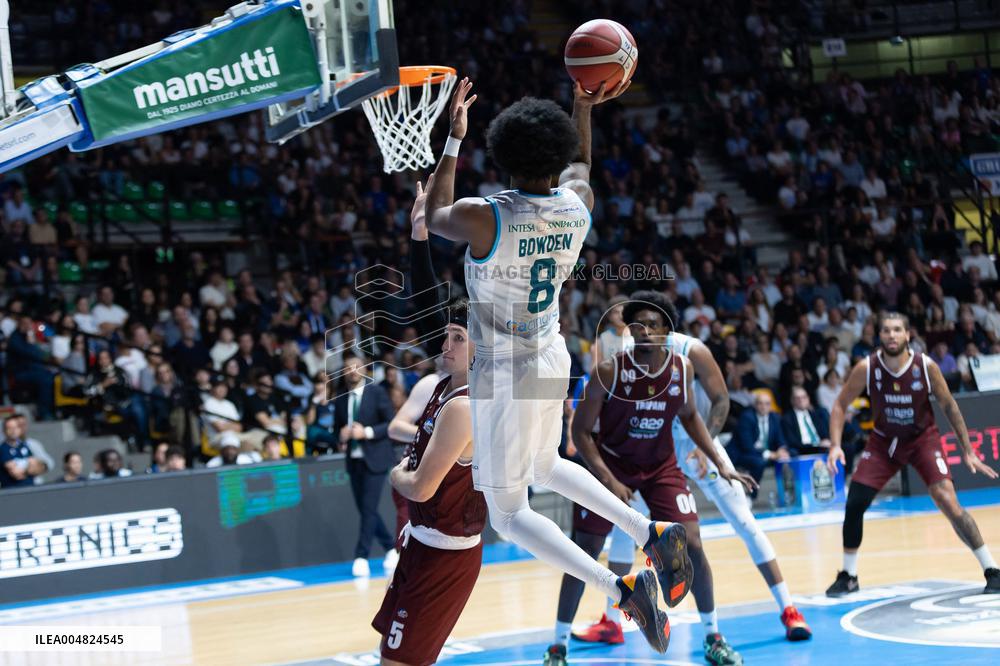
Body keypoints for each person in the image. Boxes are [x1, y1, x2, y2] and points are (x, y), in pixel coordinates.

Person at [425, 78, 688, 656]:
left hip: (504, 369)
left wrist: (451, 140)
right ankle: (650, 532)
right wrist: (583, 106)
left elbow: (434, 214)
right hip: (550, 352)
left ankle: (619, 589)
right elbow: (582, 165)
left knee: (508, 513)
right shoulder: (577, 208)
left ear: (503, 155)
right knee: (543, 466)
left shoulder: (483, 216)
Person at [580, 311, 812, 647]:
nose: (640, 331)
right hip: (655, 454)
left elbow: (721, 399)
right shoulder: (627, 357)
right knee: (624, 526)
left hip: (698, 445)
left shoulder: (693, 351)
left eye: (648, 324)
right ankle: (611, 620)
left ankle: (789, 608)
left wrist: (707, 448)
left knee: (743, 521)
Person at [550, 292, 755, 665]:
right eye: (637, 325)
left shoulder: (683, 369)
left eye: (653, 325)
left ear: (667, 331)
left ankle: (713, 636)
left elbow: (691, 417)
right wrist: (609, 481)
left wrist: (719, 462)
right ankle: (557, 647)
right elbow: (580, 434)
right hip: (611, 465)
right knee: (585, 551)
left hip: (660, 468)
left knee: (692, 543)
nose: (645, 331)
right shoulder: (609, 370)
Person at [373, 179, 487, 666]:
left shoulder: (467, 402)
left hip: (445, 550)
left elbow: (417, 488)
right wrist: (419, 233)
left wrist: (398, 472)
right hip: (422, 541)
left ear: (481, 346)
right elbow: (426, 305)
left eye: (456, 337)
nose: (445, 343)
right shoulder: (447, 380)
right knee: (392, 656)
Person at [825, 312, 1000, 596]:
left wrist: (968, 451)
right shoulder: (867, 367)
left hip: (922, 440)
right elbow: (840, 405)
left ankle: (992, 569)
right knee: (855, 502)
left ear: (908, 335)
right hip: (884, 443)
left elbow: (949, 406)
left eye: (897, 330)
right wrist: (834, 445)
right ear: (879, 336)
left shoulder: (925, 366)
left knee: (948, 501)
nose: (891, 335)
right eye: (885, 330)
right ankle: (849, 575)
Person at [335, 353, 397, 578]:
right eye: (347, 367)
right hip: (354, 460)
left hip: (376, 458)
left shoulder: (376, 392)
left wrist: (367, 432)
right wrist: (341, 436)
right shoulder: (341, 398)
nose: (352, 370)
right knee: (366, 510)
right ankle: (391, 547)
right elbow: (336, 430)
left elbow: (391, 422)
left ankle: (361, 556)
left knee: (369, 509)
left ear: (364, 369)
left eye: (356, 366)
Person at [731, 391, 789, 485]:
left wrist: (782, 449)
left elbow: (780, 438)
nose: (763, 407)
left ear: (771, 406)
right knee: (759, 462)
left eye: (767, 404)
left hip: (766, 452)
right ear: (755, 405)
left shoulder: (775, 417)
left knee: (792, 454)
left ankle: (787, 491)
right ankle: (751, 493)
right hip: (744, 453)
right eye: (760, 403)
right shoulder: (747, 417)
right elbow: (747, 446)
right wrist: (769, 454)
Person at [781, 387, 832, 456]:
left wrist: (826, 441)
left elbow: (824, 434)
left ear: (808, 399)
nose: (801, 400)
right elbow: (791, 441)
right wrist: (815, 444)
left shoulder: (816, 415)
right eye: (797, 398)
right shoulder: (787, 418)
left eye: (804, 397)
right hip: (801, 449)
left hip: (820, 448)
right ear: (792, 401)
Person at [1, 415, 48, 488]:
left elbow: (39, 468)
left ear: (20, 429)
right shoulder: (3, 449)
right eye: (10, 428)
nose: (13, 431)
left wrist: (26, 466)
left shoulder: (25, 446)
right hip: (12, 492)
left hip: (30, 489)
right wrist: (29, 463)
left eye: (16, 427)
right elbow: (16, 473)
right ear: (4, 431)